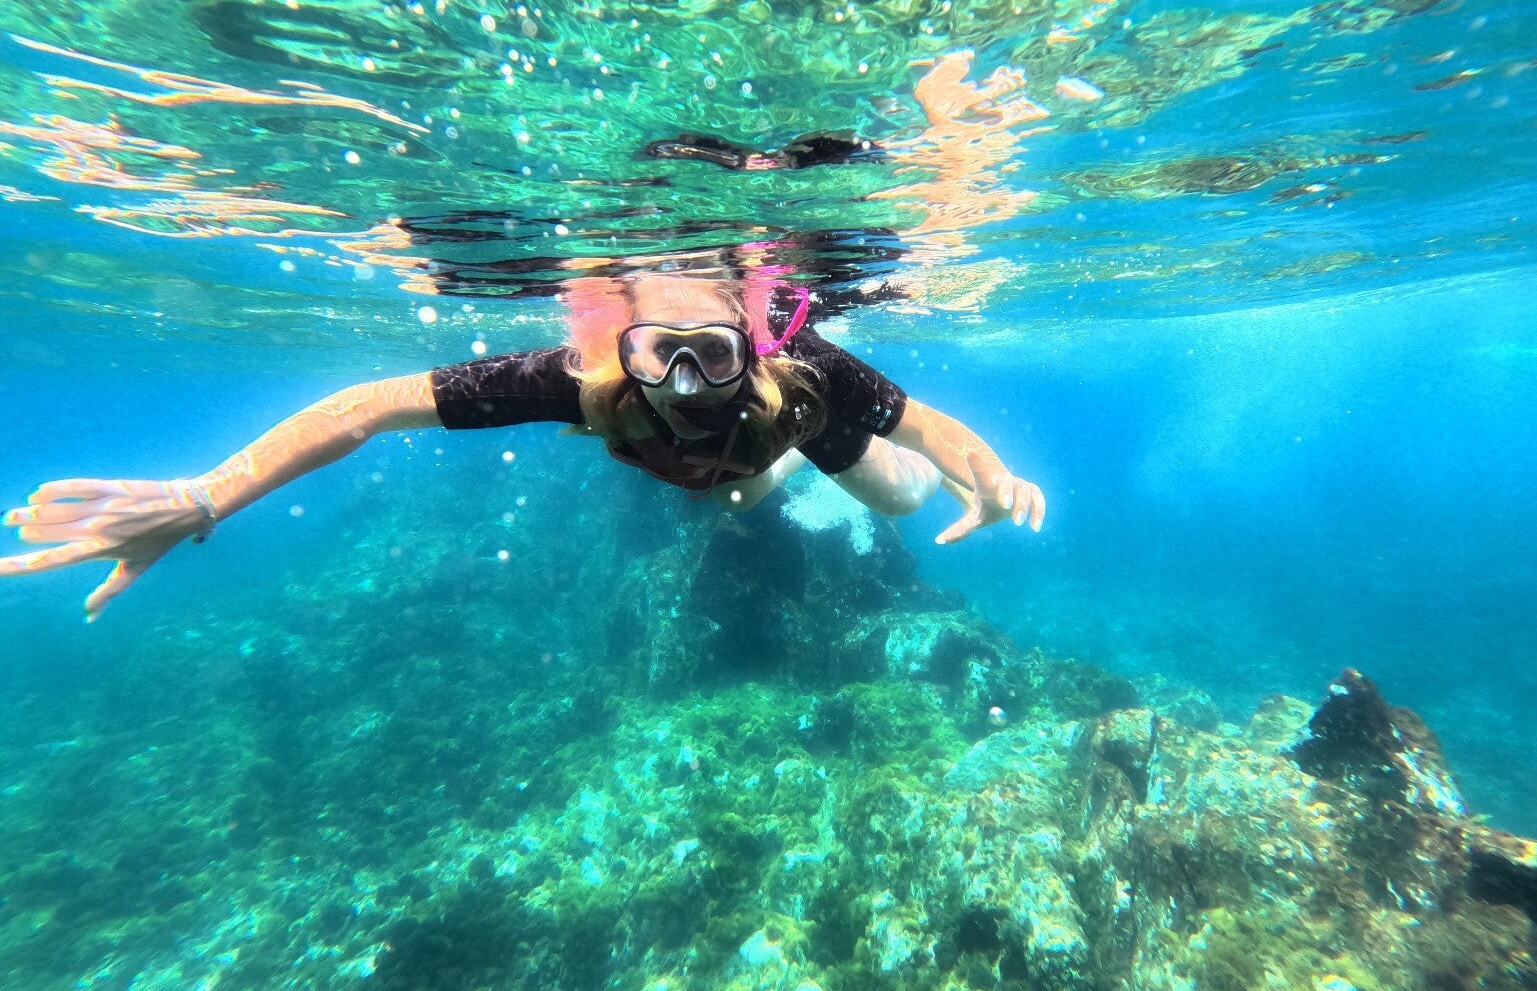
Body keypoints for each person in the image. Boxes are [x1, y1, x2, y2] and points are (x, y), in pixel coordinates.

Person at [1, 272, 1046, 621]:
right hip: (703, 470)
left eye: (711, 355)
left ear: (755, 341)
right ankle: (751, 483)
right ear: (614, 343)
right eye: (656, 355)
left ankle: (771, 471)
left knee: (902, 498)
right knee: (722, 498)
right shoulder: (568, 382)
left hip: (786, 436)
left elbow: (930, 429)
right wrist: (206, 495)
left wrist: (985, 470)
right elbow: (363, 407)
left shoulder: (803, 373)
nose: (683, 383)